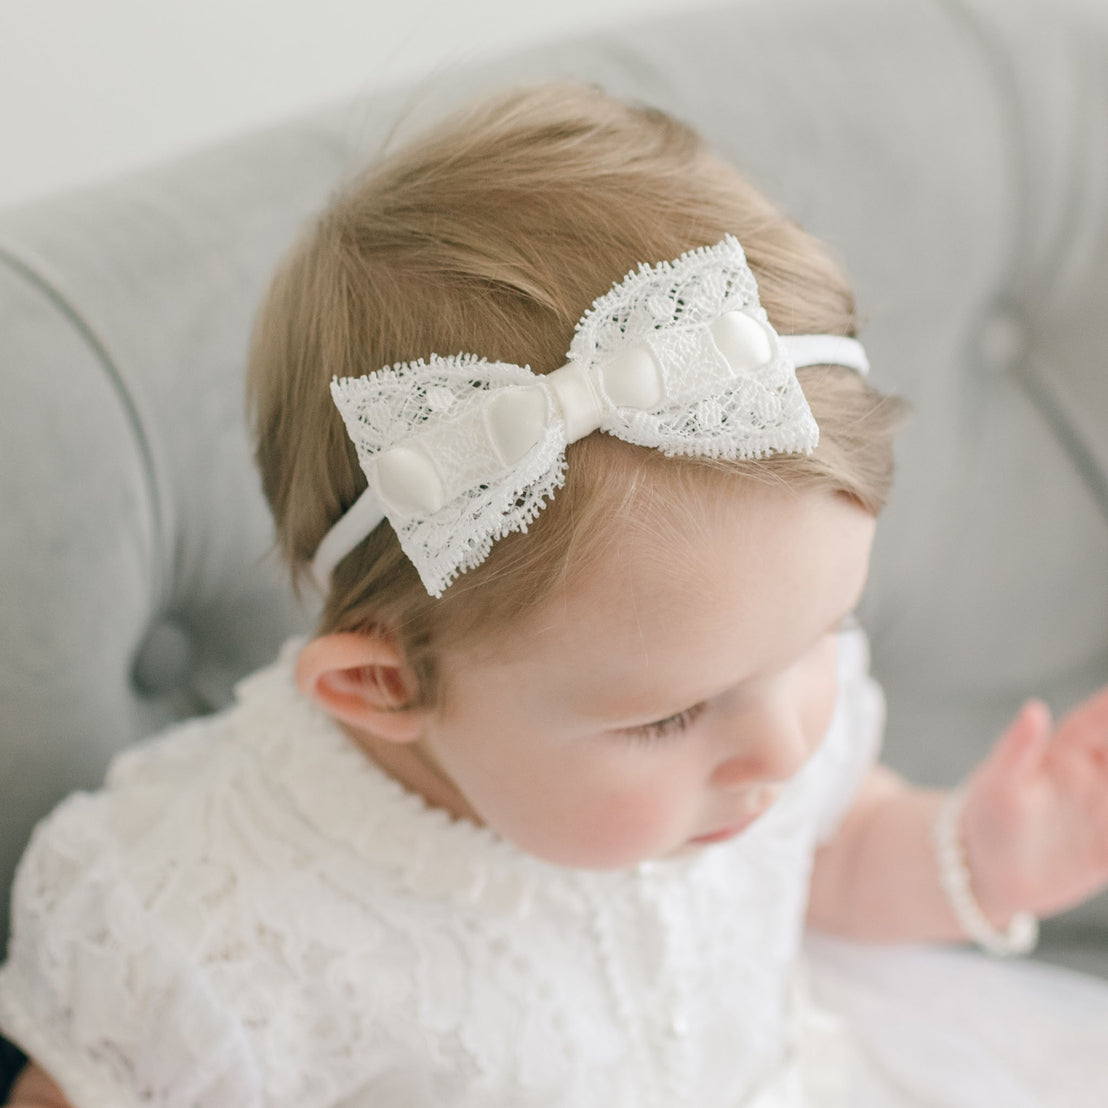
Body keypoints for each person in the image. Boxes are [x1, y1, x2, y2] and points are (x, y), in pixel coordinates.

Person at [2, 83, 1108, 1108]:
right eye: (668, 716)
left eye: (825, 632)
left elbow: (828, 857)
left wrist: (978, 852)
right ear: (387, 684)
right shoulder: (214, 921)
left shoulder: (752, 696)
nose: (783, 745)